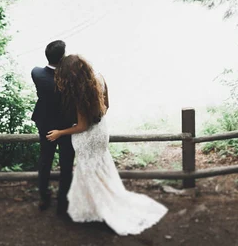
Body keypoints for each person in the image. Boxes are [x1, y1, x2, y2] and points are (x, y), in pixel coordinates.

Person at [46, 55, 168, 236]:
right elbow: (106, 106)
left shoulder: (80, 92)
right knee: (101, 168)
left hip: (87, 137)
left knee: (90, 173)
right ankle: (102, 203)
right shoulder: (99, 78)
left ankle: (100, 209)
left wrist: (60, 132)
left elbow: (82, 126)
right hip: (101, 130)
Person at [31, 40, 75, 215]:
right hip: (65, 127)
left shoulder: (36, 73)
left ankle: (44, 197)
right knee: (66, 164)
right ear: (63, 58)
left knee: (45, 161)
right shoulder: (70, 79)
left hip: (46, 125)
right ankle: (62, 203)